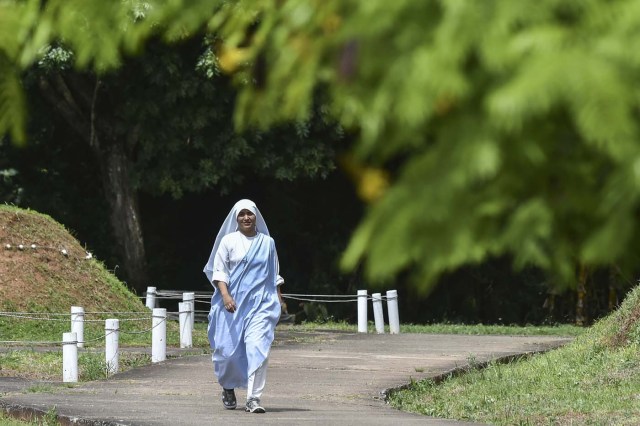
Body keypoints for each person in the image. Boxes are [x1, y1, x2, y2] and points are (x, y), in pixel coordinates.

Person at [203, 199, 284, 414]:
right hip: (233, 304)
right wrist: (226, 296)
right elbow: (219, 272)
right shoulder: (228, 241)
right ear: (236, 218)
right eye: (242, 214)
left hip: (261, 304)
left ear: (256, 216)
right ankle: (228, 387)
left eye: (250, 213)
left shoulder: (268, 243)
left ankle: (253, 398)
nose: (246, 217)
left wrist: (279, 300)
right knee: (228, 353)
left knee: (258, 348)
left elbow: (274, 274)